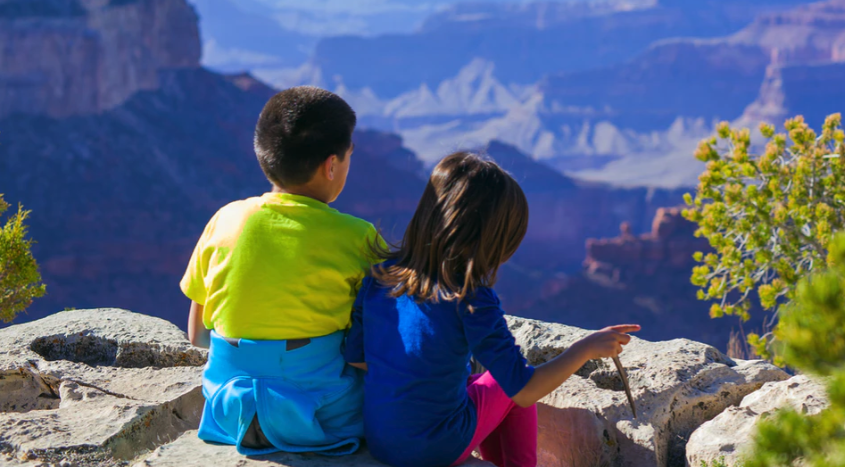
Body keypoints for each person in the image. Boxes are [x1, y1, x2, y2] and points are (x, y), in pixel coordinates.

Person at [345, 151, 639, 467]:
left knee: (478, 382)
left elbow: (359, 359)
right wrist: (585, 348)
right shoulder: (470, 297)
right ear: (493, 236)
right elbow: (524, 391)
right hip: (435, 448)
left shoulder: (380, 275)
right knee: (506, 382)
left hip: (381, 440)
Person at [181, 86, 381, 456]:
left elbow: (196, 333)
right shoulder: (359, 237)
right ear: (331, 164)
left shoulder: (225, 219)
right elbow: (377, 343)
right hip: (323, 417)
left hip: (230, 411)